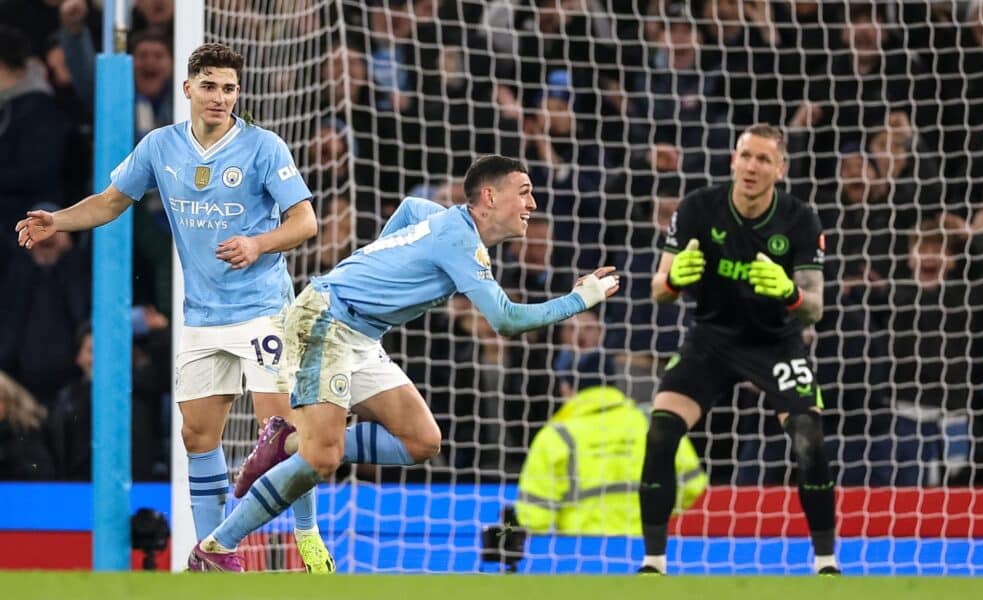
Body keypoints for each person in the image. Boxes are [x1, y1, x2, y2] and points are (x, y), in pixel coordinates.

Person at [186, 154, 620, 571]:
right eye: (524, 192)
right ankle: (217, 545)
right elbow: (506, 320)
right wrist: (580, 299)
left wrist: (382, 261)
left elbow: (412, 209)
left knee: (422, 441)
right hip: (327, 320)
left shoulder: (448, 220)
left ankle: (290, 444)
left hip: (362, 333)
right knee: (324, 459)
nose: (532, 204)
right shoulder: (461, 240)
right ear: (489, 197)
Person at [14, 43, 332, 572]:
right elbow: (112, 200)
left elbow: (305, 222)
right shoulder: (160, 146)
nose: (220, 97)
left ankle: (307, 532)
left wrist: (258, 244)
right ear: (188, 88)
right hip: (203, 316)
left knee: (282, 433)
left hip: (263, 308)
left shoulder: (263, 146)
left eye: (229, 88)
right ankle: (216, 552)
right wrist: (59, 220)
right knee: (196, 435)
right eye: (209, 86)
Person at [637, 124, 839, 576]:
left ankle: (826, 563)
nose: (752, 166)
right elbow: (659, 290)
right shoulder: (696, 209)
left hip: (777, 343)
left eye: (764, 159)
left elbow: (815, 309)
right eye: (746, 155)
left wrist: (789, 293)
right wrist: (673, 280)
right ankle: (652, 563)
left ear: (780, 169)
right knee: (660, 433)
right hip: (711, 340)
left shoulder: (800, 219)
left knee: (809, 441)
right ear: (733, 160)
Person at [514, 336, 706, 536]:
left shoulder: (556, 436)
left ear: (566, 388)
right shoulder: (654, 423)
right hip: (648, 548)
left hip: (582, 554)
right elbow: (694, 487)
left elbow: (534, 519)